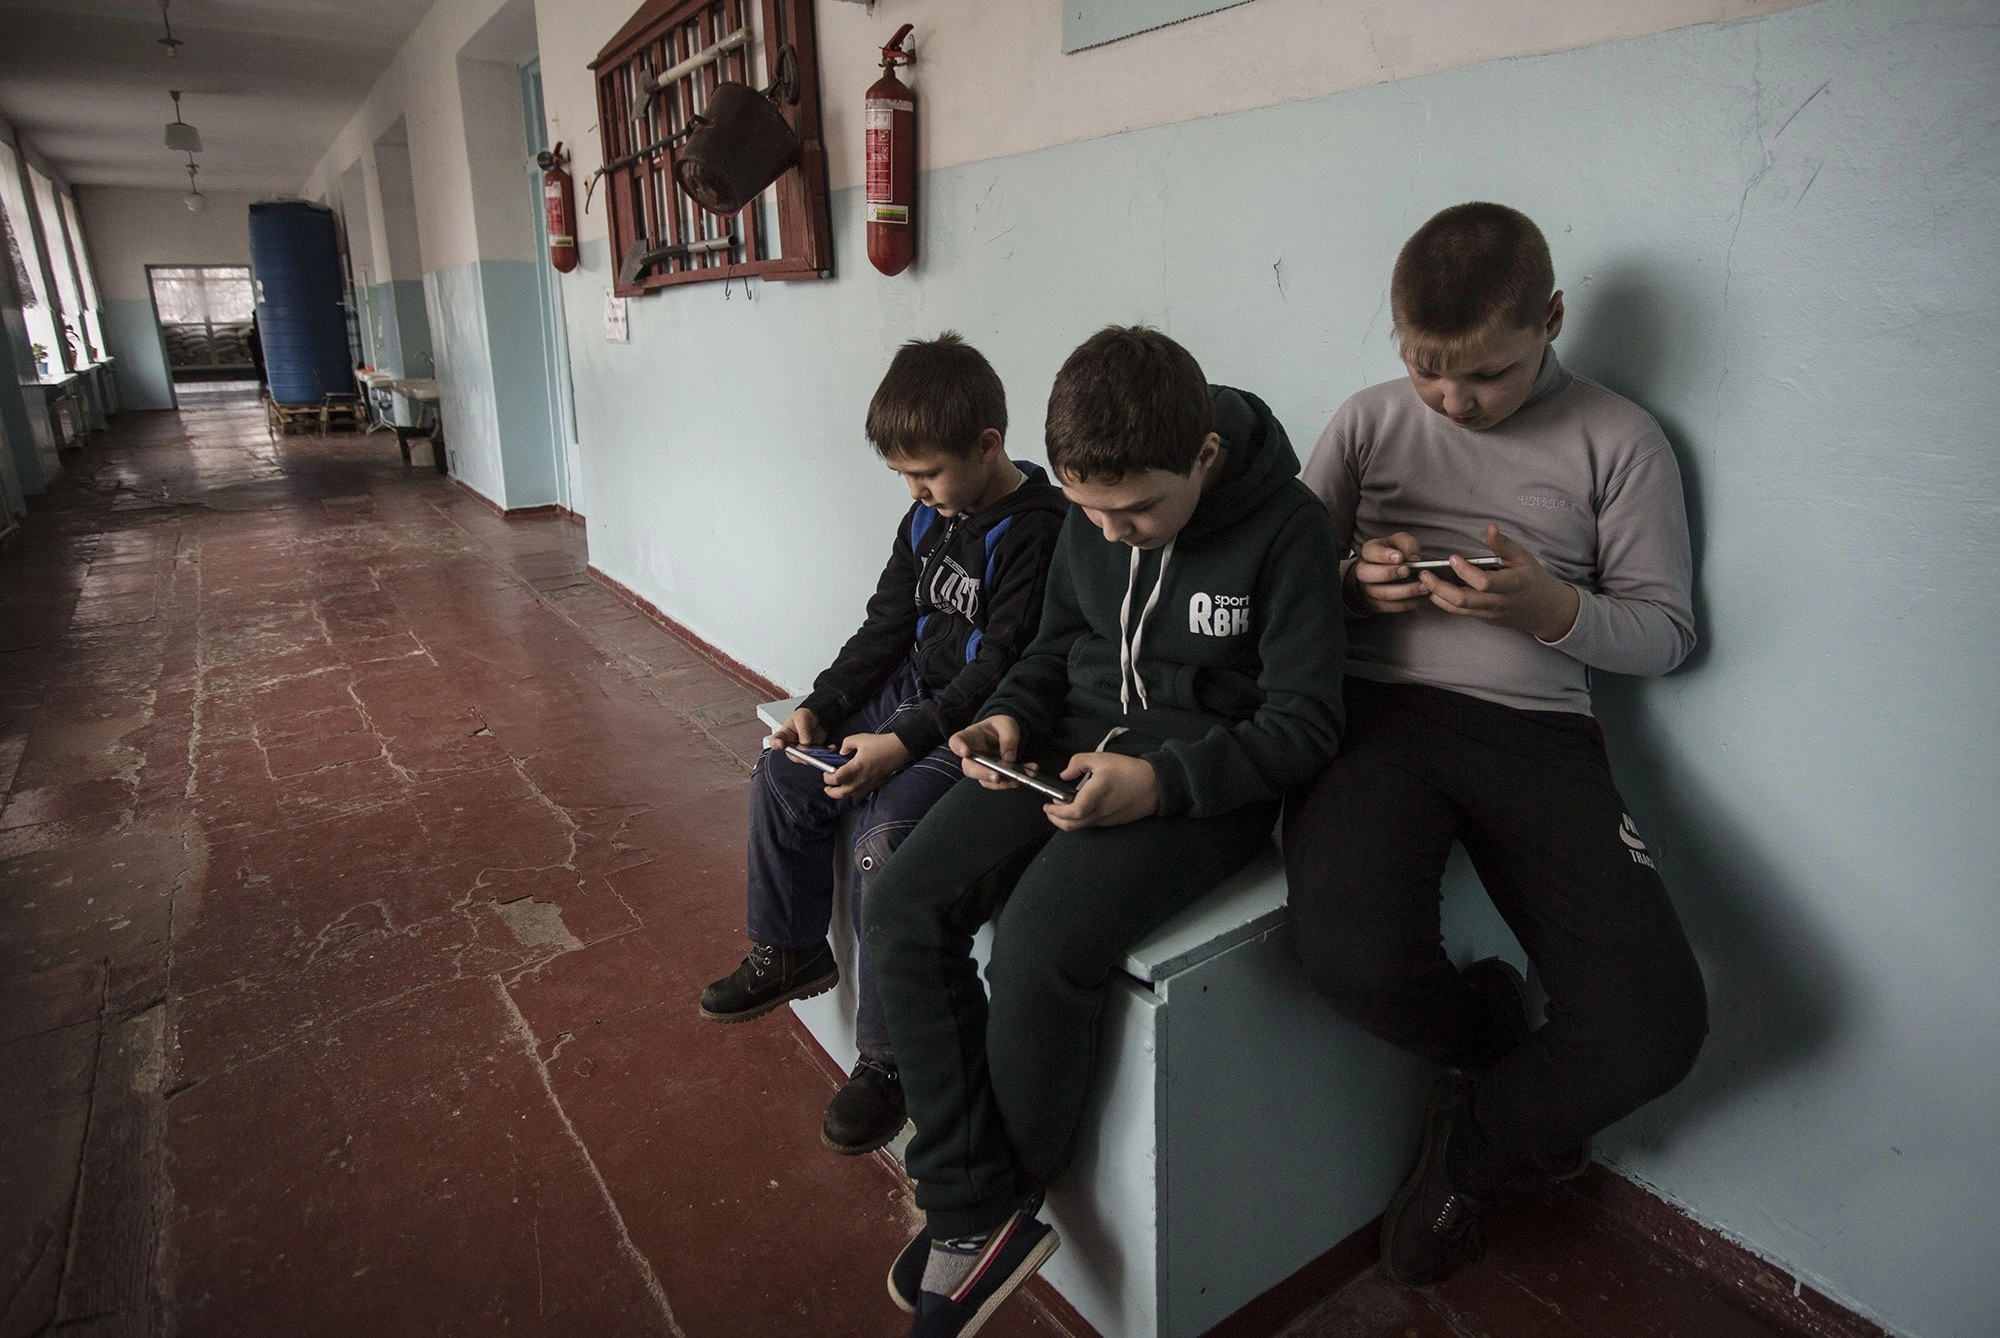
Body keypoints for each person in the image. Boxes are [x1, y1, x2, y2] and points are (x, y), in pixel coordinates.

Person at [864, 327, 1347, 1337]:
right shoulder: (1085, 519)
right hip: (1059, 745)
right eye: (1090, 509)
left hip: (1202, 787)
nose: (1114, 531)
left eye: (1137, 510)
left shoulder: (1288, 529)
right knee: (905, 896)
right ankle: (974, 1204)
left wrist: (1162, 783)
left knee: (1041, 943)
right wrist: (1009, 719)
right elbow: (1053, 648)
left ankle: (995, 1196)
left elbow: (1304, 724)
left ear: (1205, 457)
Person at [1288, 202, 1709, 1286]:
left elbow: (1662, 635)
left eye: (1482, 374)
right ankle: (1483, 1029)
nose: (1450, 400)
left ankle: (1469, 1152)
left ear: (1551, 321)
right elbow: (1271, 600)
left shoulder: (1618, 439)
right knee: (1345, 957)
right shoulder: (1368, 423)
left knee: (1652, 1029)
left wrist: (1547, 609)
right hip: (1376, 714)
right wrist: (1346, 589)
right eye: (1425, 370)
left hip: (1536, 731)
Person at [698, 333, 1067, 1157]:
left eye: (928, 472)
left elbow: (1002, 666)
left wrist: (901, 744)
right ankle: (793, 949)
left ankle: (890, 1061)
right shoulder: (925, 518)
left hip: (973, 716)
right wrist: (820, 708)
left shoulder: (1038, 530)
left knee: (882, 841)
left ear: (988, 445)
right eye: (904, 475)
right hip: (911, 691)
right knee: (784, 770)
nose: (916, 490)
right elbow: (885, 627)